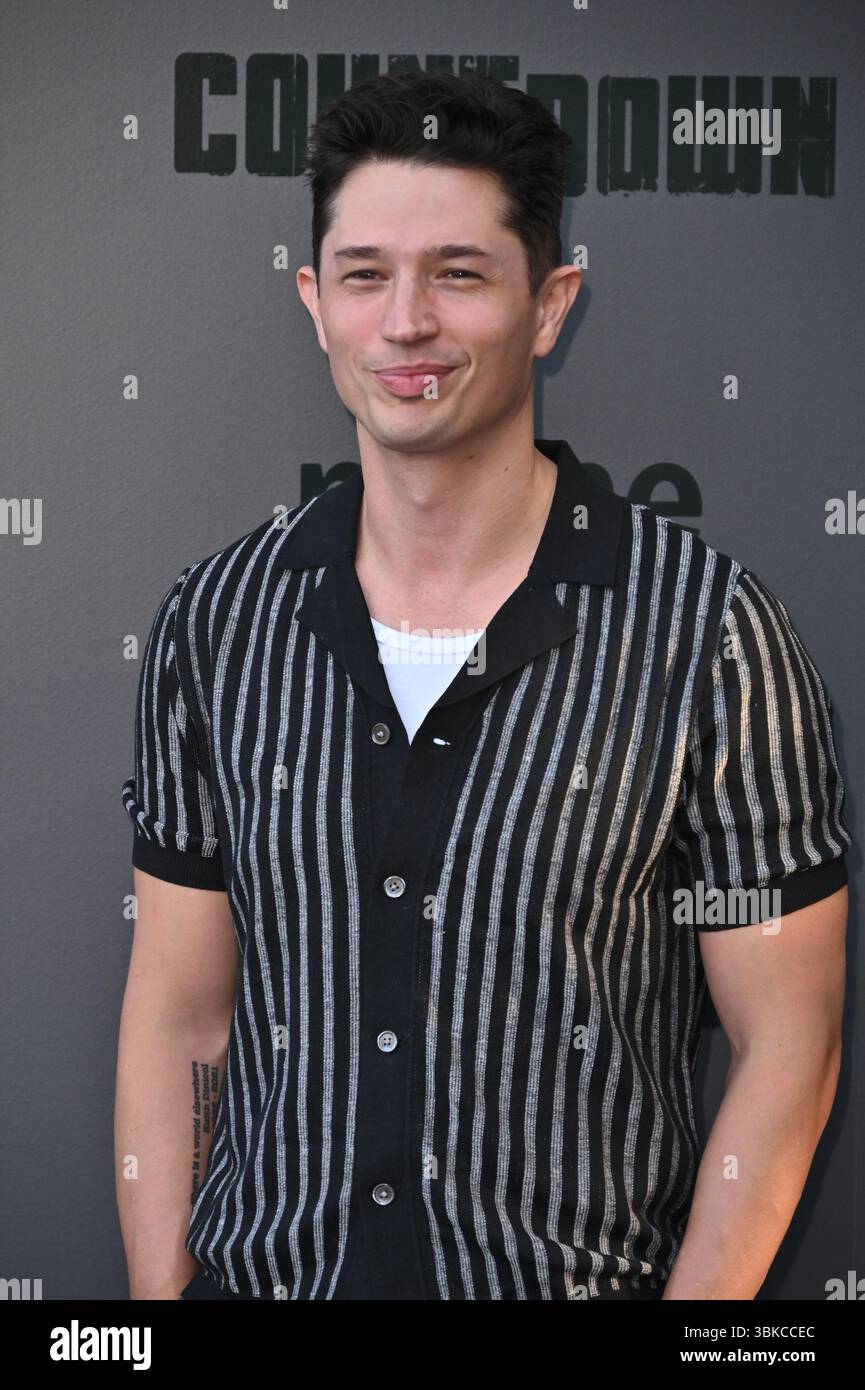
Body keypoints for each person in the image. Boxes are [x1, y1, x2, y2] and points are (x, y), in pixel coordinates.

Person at [115, 69, 850, 1302]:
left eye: (458, 273)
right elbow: (183, 1017)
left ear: (549, 303)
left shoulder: (707, 629)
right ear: (314, 302)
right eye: (364, 275)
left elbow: (789, 1044)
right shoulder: (218, 621)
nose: (406, 324)